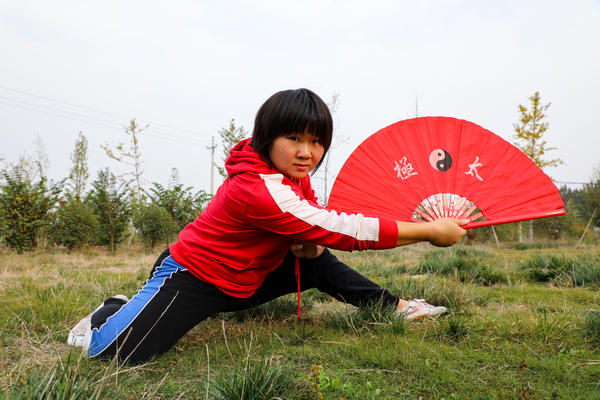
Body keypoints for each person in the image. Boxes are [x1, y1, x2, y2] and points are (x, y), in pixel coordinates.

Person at [67, 88, 467, 364]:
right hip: (194, 276)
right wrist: (428, 231)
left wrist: (309, 246)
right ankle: (112, 309)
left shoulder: (293, 175)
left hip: (247, 278)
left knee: (316, 261)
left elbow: (312, 230)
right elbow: (337, 228)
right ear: (266, 138)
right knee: (112, 355)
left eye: (316, 141)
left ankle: (394, 306)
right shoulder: (256, 188)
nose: (307, 152)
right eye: (294, 138)